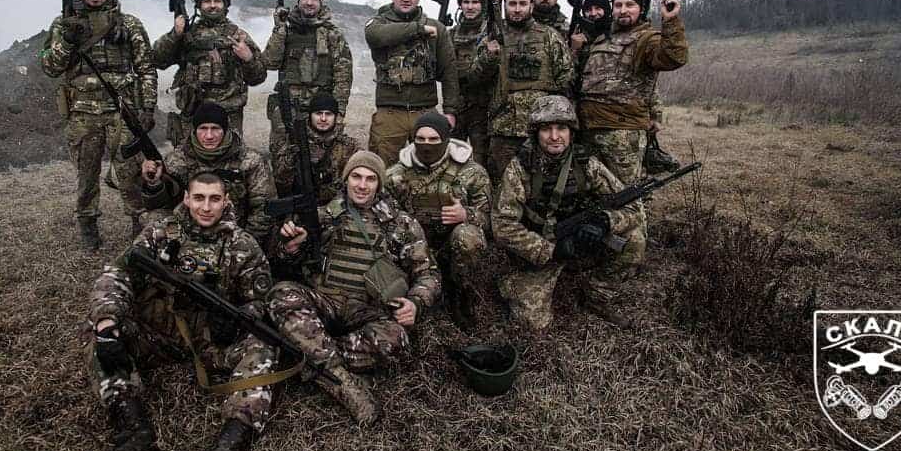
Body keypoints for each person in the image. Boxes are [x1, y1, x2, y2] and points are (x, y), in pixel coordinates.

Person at [86, 172, 277, 451]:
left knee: (262, 347)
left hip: (211, 344)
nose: (206, 207)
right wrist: (106, 321)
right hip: (158, 333)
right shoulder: (160, 234)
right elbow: (118, 274)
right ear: (186, 199)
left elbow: (259, 298)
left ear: (226, 201)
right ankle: (133, 431)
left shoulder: (242, 244)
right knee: (101, 335)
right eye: (199, 198)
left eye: (214, 199)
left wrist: (237, 317)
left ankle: (230, 447)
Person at [268, 151, 439, 424]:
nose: (362, 185)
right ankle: (344, 382)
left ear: (379, 184)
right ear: (346, 180)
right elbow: (283, 260)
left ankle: (308, 352)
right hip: (325, 302)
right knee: (281, 294)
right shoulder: (323, 216)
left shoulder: (401, 224)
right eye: (356, 177)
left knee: (396, 340)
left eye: (370, 179)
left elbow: (428, 273)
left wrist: (416, 302)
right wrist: (289, 247)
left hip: (368, 312)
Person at [491, 96, 640, 330]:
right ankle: (515, 282)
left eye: (561, 128)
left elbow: (633, 208)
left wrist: (605, 222)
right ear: (535, 133)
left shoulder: (587, 164)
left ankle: (597, 294)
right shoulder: (520, 168)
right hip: (542, 248)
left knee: (634, 240)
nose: (554, 136)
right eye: (546, 129)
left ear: (571, 132)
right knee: (532, 324)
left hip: (581, 240)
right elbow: (503, 226)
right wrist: (551, 250)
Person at [570, 0, 687, 275]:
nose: (623, 10)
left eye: (629, 5)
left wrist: (671, 21)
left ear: (642, 9)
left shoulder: (647, 39)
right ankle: (596, 254)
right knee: (594, 198)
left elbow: (673, 57)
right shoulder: (602, 39)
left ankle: (627, 261)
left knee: (627, 199)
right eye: (619, 4)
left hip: (622, 137)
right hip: (588, 132)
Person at [40, 0, 158, 250]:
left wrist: (148, 108)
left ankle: (138, 224)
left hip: (121, 109)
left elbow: (146, 68)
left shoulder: (128, 24)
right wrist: (68, 40)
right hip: (82, 112)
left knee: (130, 173)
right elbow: (49, 67)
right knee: (87, 175)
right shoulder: (63, 24)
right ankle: (88, 226)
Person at [383, 111, 491, 330]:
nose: (426, 145)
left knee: (468, 236)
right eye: (420, 139)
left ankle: (459, 293)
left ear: (446, 140)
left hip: (451, 246)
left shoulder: (472, 173)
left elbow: (491, 220)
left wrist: (466, 215)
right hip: (412, 249)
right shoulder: (396, 175)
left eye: (434, 139)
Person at [469, 0, 574, 180]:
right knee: (502, 184)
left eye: (522, 4)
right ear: (505, 6)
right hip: (502, 130)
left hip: (540, 131)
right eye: (512, 4)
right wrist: (489, 58)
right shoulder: (492, 37)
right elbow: (474, 80)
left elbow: (566, 78)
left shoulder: (549, 37)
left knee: (540, 184)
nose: (517, 9)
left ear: (531, 6)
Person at [149, 0, 266, 146]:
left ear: (225, 4)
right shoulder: (186, 34)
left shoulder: (237, 35)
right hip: (192, 116)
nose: (212, 5)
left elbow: (258, 77)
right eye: (207, 1)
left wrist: (248, 58)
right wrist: (175, 35)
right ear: (198, 4)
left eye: (217, 0)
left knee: (228, 165)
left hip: (227, 117)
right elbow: (158, 60)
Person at [141, 102, 276, 246]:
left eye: (215, 128)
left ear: (225, 130)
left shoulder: (250, 161)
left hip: (235, 234)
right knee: (151, 218)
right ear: (194, 130)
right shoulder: (176, 160)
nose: (209, 135)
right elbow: (160, 206)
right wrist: (154, 184)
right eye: (203, 128)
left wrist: (243, 244)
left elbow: (264, 209)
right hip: (188, 233)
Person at [365, 0, 461, 166]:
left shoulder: (437, 29)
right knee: (383, 168)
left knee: (430, 167)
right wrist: (418, 29)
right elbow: (375, 36)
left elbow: (449, 72)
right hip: (389, 113)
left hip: (424, 111)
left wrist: (450, 110)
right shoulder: (378, 24)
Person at [261, 0, 353, 160]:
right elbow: (270, 62)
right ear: (298, 1)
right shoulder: (286, 30)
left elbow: (343, 76)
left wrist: (339, 111)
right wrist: (279, 28)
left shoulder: (332, 34)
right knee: (283, 155)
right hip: (289, 105)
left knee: (321, 157)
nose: (309, 2)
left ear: (321, 2)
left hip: (320, 107)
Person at [271, 92, 361, 205]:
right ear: (310, 115)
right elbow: (279, 181)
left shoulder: (349, 146)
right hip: (299, 205)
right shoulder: (295, 142)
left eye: (328, 114)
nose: (323, 118)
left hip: (337, 207)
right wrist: (291, 159)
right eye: (318, 113)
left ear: (336, 117)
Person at [449, 0, 492, 168]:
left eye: (475, 2)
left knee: (480, 161)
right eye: (466, 2)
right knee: (451, 158)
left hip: (482, 109)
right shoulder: (451, 34)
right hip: (457, 107)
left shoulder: (491, 32)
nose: (470, 7)